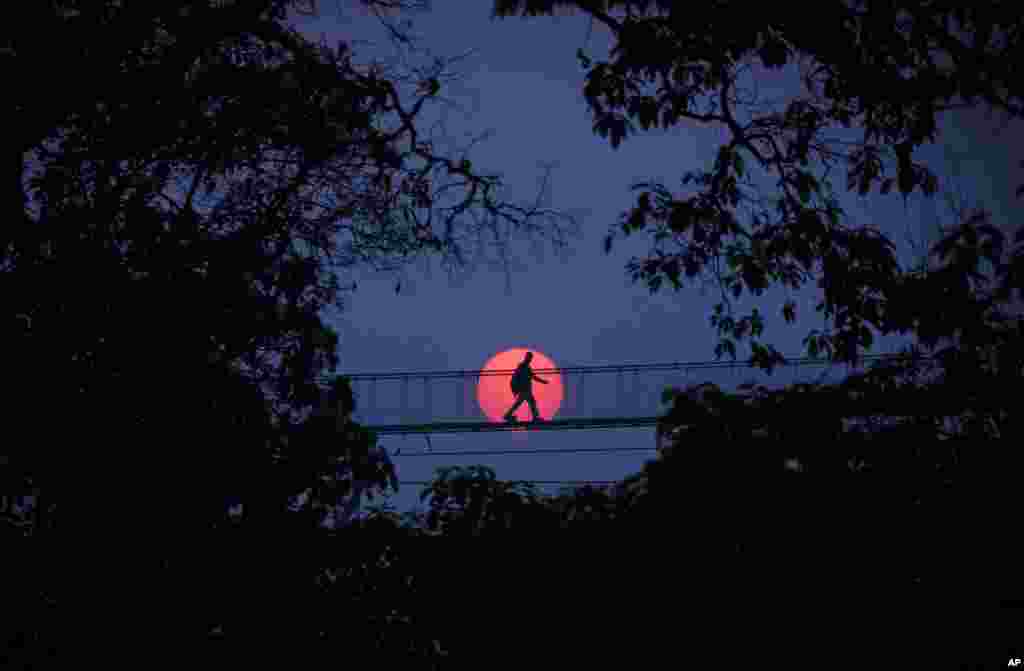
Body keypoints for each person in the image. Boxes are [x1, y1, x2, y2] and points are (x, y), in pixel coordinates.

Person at [504, 351, 548, 423]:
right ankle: (535, 417)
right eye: (530, 358)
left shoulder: (525, 366)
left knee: (522, 403)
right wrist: (543, 381)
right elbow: (532, 376)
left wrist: (542, 381)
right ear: (527, 358)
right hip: (524, 389)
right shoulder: (524, 366)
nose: (530, 359)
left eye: (530, 358)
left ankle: (508, 415)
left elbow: (531, 376)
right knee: (530, 402)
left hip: (524, 389)